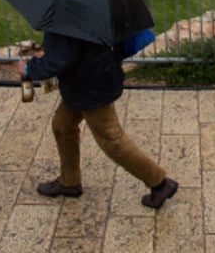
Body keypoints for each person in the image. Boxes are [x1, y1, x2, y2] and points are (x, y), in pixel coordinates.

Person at [15, 30, 178, 209]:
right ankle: (69, 182)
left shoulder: (64, 17)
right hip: (89, 79)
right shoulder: (85, 12)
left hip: (91, 87)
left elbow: (61, 58)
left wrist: (28, 68)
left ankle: (160, 183)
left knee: (112, 140)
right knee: (62, 126)